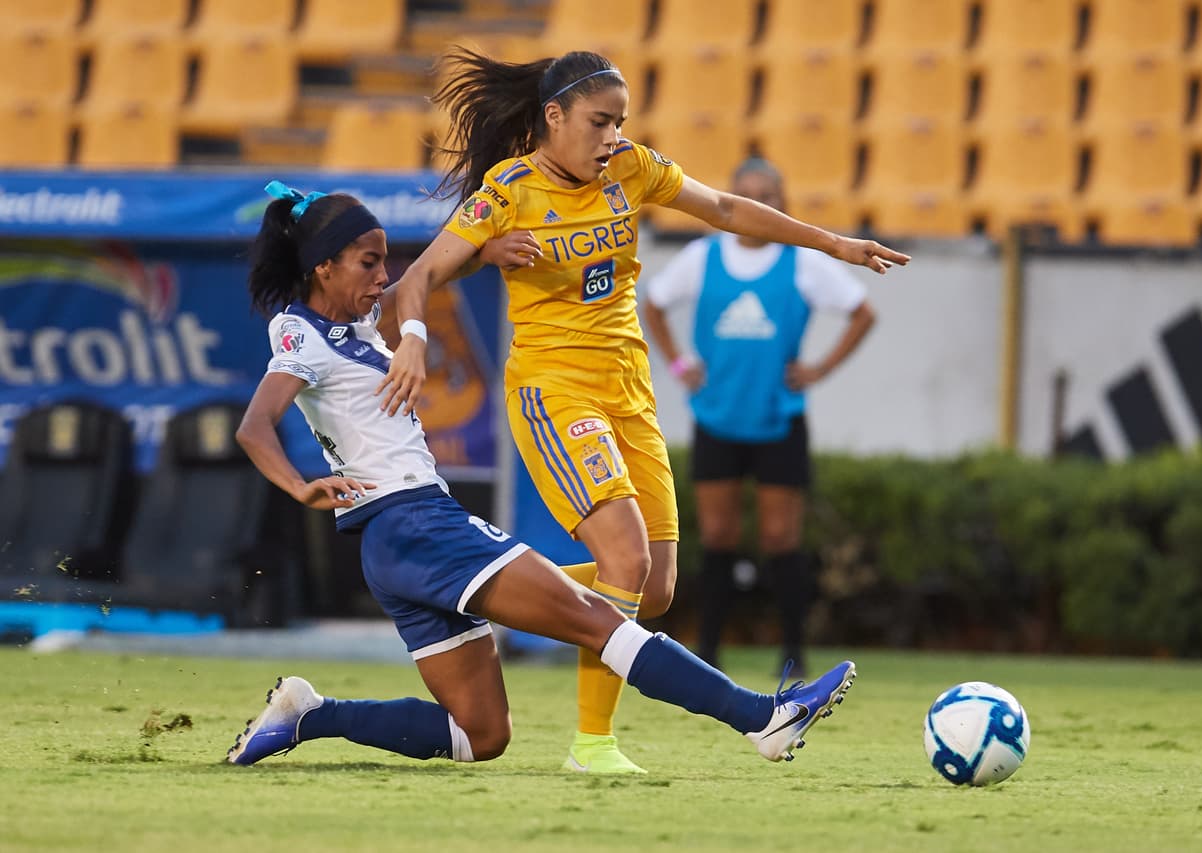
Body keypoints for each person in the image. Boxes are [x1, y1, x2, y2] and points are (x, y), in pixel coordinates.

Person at [373, 49, 909, 775]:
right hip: (554, 391)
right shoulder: (509, 189)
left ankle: (477, 591)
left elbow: (722, 208)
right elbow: (422, 275)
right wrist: (417, 333)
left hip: (630, 391)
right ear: (554, 117)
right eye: (599, 121)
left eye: (620, 121)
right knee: (624, 559)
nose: (612, 136)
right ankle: (592, 744)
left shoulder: (628, 167)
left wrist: (832, 241)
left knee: (653, 586)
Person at [225, 181, 857, 770]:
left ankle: (309, 716)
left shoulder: (353, 325)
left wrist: (486, 250)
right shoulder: (301, 335)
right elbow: (255, 426)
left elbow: (420, 284)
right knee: (599, 619)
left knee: (480, 736)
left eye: (383, 259)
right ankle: (764, 718)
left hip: (395, 544)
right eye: (369, 262)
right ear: (323, 267)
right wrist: (298, 485)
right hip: (417, 523)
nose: (383, 275)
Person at [641, 157, 878, 678]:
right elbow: (652, 304)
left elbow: (863, 311)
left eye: (770, 195)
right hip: (717, 417)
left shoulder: (805, 262)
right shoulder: (702, 257)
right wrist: (680, 364)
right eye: (749, 195)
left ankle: (793, 654)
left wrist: (819, 369)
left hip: (779, 420)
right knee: (719, 536)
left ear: (784, 203)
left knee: (780, 540)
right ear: (734, 202)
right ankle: (708, 651)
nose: (761, 204)